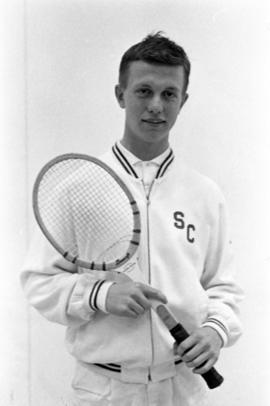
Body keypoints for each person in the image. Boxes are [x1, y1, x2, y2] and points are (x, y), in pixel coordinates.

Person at [21, 32, 243, 406]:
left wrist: (215, 332)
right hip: (104, 393)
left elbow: (223, 288)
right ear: (120, 94)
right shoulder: (77, 186)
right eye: (143, 91)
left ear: (183, 101)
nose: (156, 105)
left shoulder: (205, 194)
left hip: (183, 390)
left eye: (169, 94)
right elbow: (39, 283)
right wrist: (100, 294)